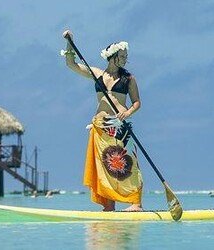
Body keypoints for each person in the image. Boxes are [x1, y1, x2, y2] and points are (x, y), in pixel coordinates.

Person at [63, 30, 143, 212]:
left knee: (127, 164)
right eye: (122, 56)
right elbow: (71, 64)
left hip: (119, 126)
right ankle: (109, 205)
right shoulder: (97, 74)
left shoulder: (128, 79)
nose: (125, 59)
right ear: (112, 57)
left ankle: (136, 203)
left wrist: (128, 113)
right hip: (100, 127)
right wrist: (70, 42)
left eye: (126, 56)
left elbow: (137, 102)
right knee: (104, 168)